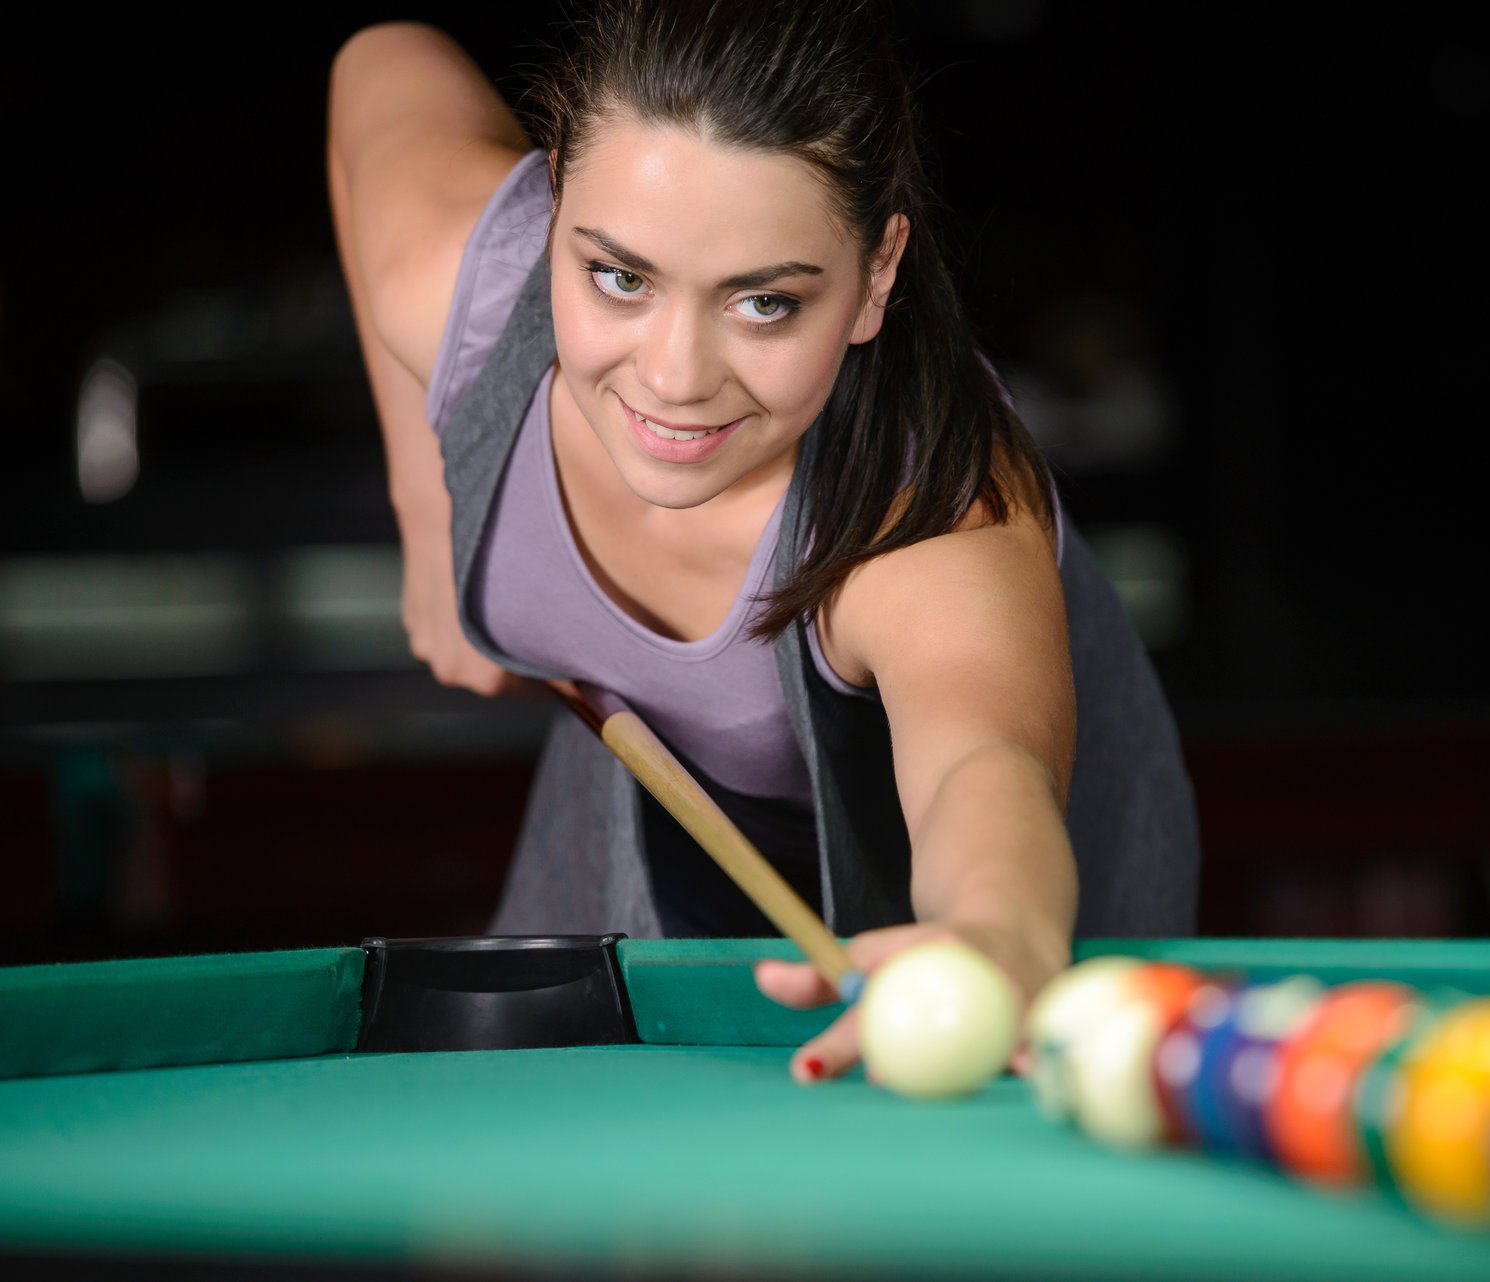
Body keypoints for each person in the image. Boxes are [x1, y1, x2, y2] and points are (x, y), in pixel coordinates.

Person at [326, 0, 1198, 1084]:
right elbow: (378, 66)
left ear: (877, 275)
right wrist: (427, 499)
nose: (675, 377)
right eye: (619, 277)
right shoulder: (464, 284)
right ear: (555, 207)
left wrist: (997, 935)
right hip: (654, 820)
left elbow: (984, 763)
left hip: (1042, 897)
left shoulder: (924, 514)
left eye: (765, 304)